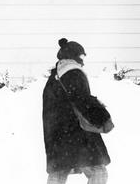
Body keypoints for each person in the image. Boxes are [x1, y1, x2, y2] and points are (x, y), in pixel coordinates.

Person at [43, 38, 111, 184]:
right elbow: (82, 100)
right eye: (81, 56)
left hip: (56, 136)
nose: (83, 61)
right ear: (73, 56)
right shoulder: (73, 72)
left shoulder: (54, 77)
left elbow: (63, 102)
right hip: (77, 133)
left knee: (59, 173)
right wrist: (102, 116)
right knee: (98, 172)